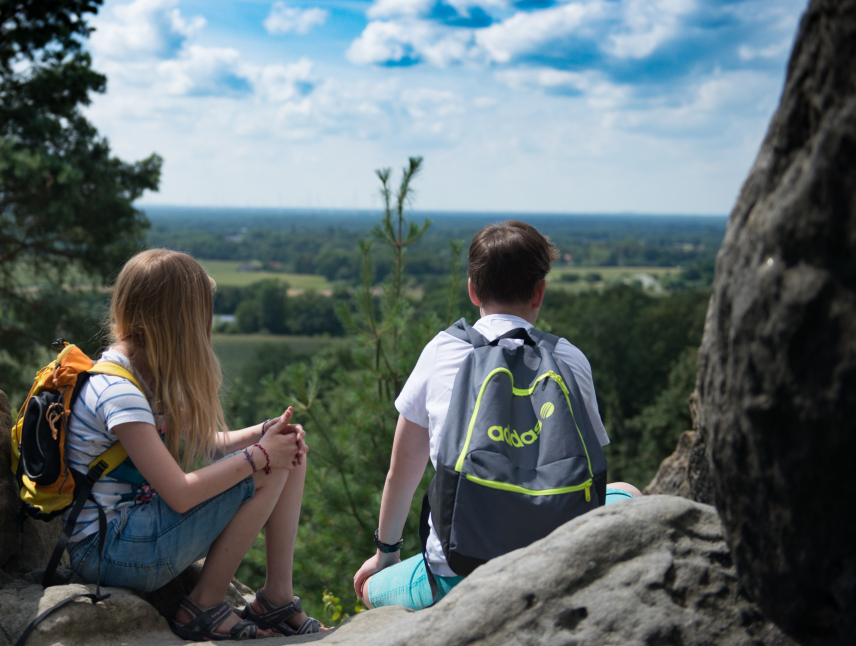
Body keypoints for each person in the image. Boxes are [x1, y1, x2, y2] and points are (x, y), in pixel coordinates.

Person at [352, 220, 641, 610]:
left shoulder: (442, 351)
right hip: (557, 563)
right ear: (540, 291)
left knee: (370, 586)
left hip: (458, 575)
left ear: (473, 290)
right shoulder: (569, 359)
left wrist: (386, 553)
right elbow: (590, 468)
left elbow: (402, 472)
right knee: (629, 494)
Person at [64, 248, 324, 640]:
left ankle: (276, 596)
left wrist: (264, 433)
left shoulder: (140, 374)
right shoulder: (119, 392)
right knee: (269, 467)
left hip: (130, 534)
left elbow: (204, 445)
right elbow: (181, 494)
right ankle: (203, 606)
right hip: (108, 550)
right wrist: (260, 456)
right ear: (181, 323)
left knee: (286, 455)